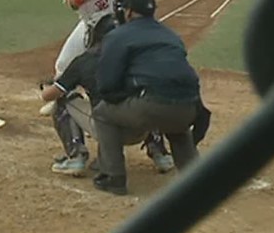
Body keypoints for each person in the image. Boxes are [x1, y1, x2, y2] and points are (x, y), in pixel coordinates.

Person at [90, 0, 204, 196]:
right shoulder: (171, 35)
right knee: (177, 126)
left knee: (102, 113)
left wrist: (124, 95)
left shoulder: (118, 35)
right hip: (189, 109)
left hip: (150, 107)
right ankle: (196, 178)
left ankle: (113, 176)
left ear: (130, 11)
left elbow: (107, 85)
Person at [37, 15, 177, 176]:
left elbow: (49, 96)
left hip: (109, 130)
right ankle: (160, 153)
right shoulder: (140, 57)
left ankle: (76, 156)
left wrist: (46, 87)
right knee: (149, 94)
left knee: (64, 100)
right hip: (143, 127)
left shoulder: (83, 61)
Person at [40, 0, 129, 117]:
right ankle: (59, 99)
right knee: (63, 63)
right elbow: (72, 3)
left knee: (113, 64)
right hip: (88, 23)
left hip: (112, 22)